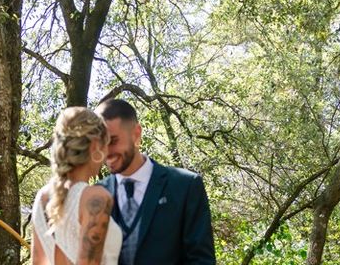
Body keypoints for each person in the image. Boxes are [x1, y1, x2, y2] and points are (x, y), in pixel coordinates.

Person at [95, 99, 216, 265]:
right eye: (100, 143)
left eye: (113, 141)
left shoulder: (186, 186)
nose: (106, 152)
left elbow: (201, 260)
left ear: (136, 134)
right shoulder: (96, 193)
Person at [31, 107, 123, 264]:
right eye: (106, 144)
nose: (107, 153)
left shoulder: (43, 197)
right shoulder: (96, 198)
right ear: (95, 146)